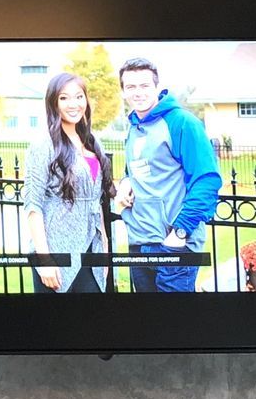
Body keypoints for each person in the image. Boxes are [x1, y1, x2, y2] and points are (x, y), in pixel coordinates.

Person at [113, 57, 221, 293]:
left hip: (173, 245)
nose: (138, 93)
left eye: (144, 86)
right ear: (123, 91)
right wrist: (125, 182)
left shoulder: (181, 122)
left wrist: (180, 232)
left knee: (176, 327)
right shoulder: (133, 126)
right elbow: (136, 169)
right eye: (130, 87)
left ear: (157, 87)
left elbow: (207, 180)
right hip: (139, 244)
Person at [21, 71, 112, 293]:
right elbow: (33, 205)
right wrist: (45, 260)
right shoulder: (43, 145)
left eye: (79, 96)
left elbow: (97, 200)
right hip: (56, 250)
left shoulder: (92, 141)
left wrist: (105, 250)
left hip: (92, 249)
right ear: (54, 103)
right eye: (64, 98)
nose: (73, 104)